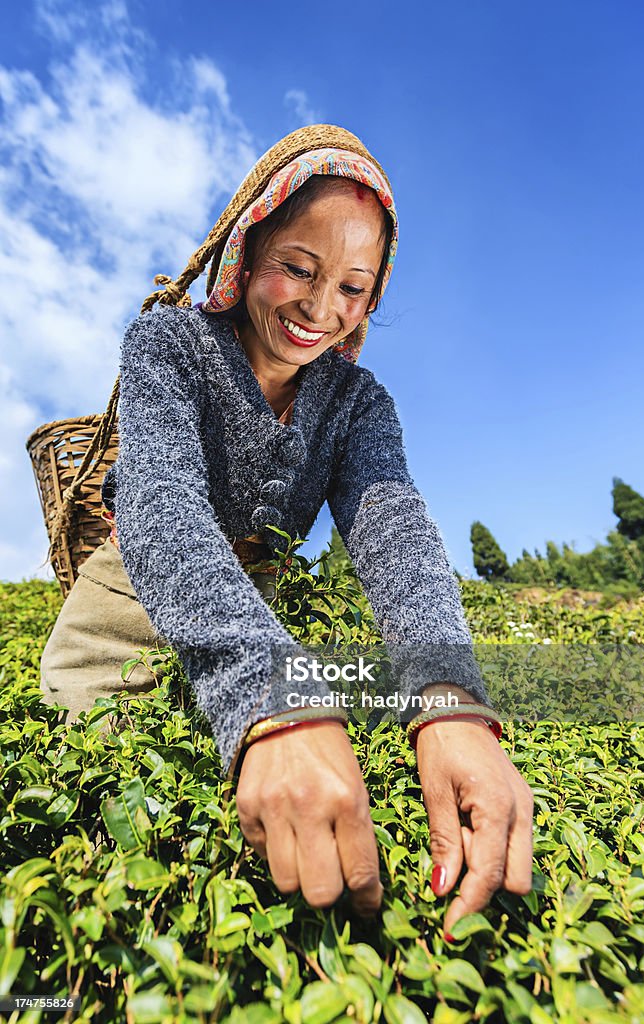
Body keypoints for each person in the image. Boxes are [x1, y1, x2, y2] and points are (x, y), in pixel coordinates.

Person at [40, 125, 533, 937]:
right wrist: (274, 697)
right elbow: (161, 500)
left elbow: (393, 528)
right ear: (246, 253)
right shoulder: (173, 343)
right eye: (297, 268)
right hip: (124, 610)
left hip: (256, 616)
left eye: (351, 286)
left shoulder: (356, 404)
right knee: (107, 802)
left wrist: (450, 700)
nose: (318, 307)